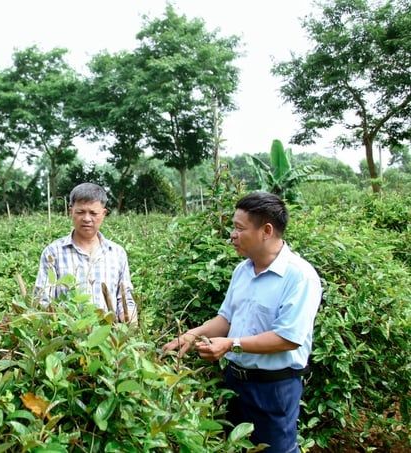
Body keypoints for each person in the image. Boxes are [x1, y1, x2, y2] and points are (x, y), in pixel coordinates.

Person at [162, 191, 322, 453]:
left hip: (274, 388)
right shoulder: (242, 270)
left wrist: (230, 345)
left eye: (239, 228)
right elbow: (226, 319)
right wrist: (193, 334)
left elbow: (288, 338)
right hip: (235, 382)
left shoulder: (300, 276)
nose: (232, 235)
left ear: (266, 230)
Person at [34, 182, 137, 323]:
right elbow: (42, 299)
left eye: (93, 213)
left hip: (109, 337)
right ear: (71, 212)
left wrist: (128, 320)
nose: (87, 219)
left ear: (103, 214)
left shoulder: (117, 253)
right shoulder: (53, 252)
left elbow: (125, 298)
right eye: (80, 212)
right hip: (68, 335)